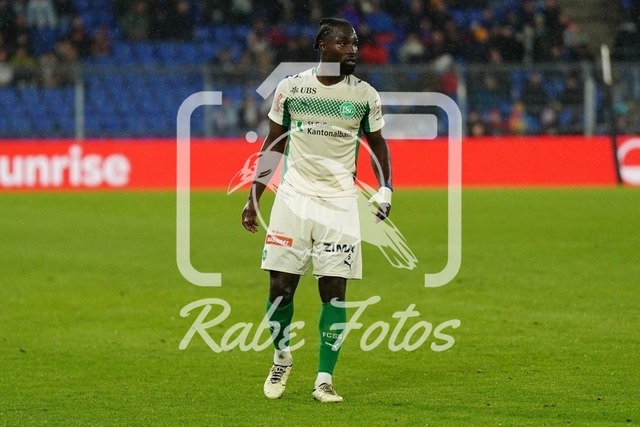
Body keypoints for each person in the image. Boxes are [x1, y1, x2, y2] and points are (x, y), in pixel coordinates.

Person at [241, 17, 392, 403]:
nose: (352, 50)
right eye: (344, 43)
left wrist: (385, 188)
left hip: (340, 202)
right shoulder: (291, 88)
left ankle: (324, 379)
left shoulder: (365, 95)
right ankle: (281, 356)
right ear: (323, 46)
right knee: (280, 289)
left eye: (355, 44)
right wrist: (254, 196)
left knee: (334, 292)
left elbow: (377, 144)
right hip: (293, 198)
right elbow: (274, 145)